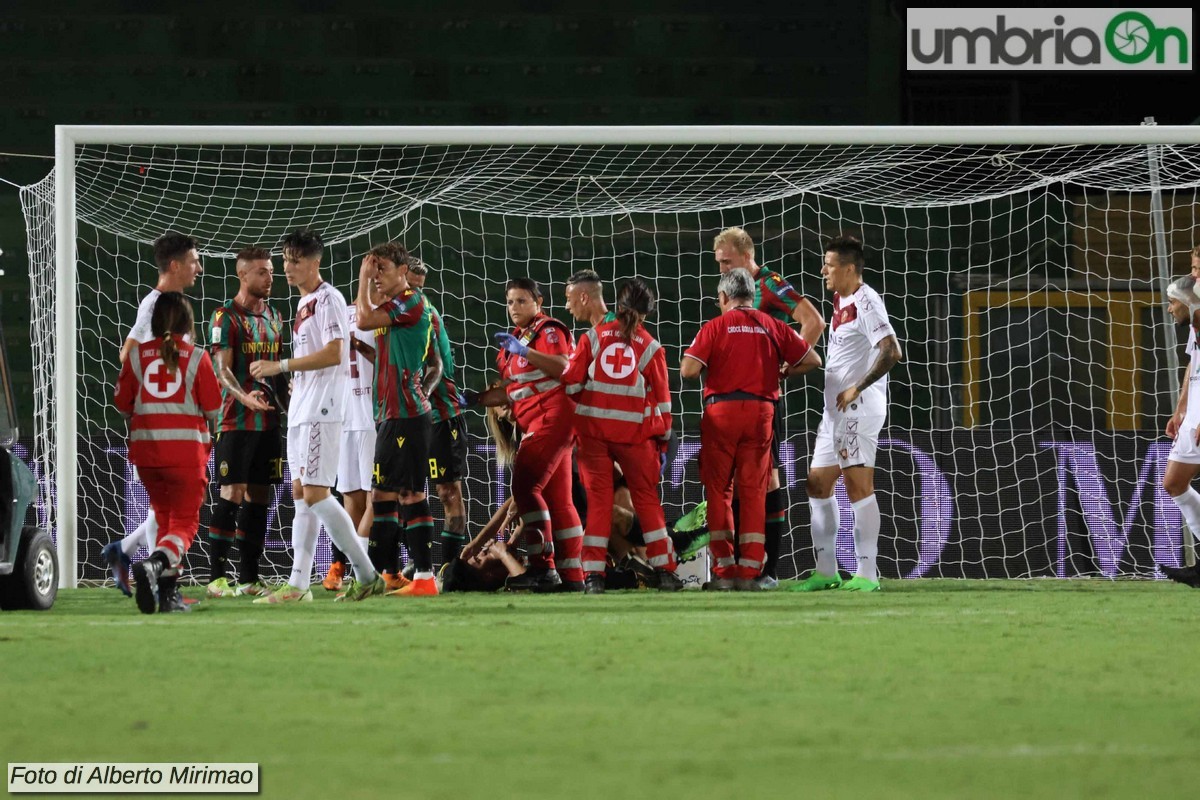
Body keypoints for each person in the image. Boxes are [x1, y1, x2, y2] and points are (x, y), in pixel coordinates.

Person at [248, 228, 380, 603]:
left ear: (315, 262)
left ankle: (367, 574)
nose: (288, 268)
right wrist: (297, 381)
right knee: (301, 496)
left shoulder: (328, 299)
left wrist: (282, 366)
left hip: (324, 410)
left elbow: (336, 353)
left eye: (296, 261)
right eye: (286, 260)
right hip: (304, 409)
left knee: (317, 494)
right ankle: (298, 585)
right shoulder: (303, 303)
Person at [681, 267, 821, 591]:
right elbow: (812, 359)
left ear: (724, 297)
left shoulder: (715, 326)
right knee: (755, 491)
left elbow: (689, 370)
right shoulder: (771, 324)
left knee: (720, 491)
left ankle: (724, 570)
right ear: (751, 295)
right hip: (761, 412)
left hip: (722, 413)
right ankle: (749, 572)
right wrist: (784, 370)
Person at [713, 226, 826, 588]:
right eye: (719, 263)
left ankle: (770, 570)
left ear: (747, 255)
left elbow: (814, 321)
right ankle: (741, 568)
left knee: (769, 478)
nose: (722, 269)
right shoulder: (735, 291)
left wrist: (785, 367)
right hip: (736, 401)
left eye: (727, 261)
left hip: (763, 401)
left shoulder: (770, 284)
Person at [558, 271, 683, 593]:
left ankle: (593, 576)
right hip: (636, 437)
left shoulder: (594, 337)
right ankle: (666, 571)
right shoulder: (651, 346)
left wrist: (590, 401)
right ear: (645, 311)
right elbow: (664, 401)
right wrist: (664, 438)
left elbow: (570, 384)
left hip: (593, 436)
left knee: (599, 505)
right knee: (647, 503)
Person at [793, 234, 902, 593]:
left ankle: (867, 574)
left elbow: (891, 351)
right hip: (834, 412)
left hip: (857, 408)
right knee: (818, 483)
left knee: (858, 487)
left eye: (829, 265)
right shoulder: (841, 300)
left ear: (849, 269)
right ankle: (827, 571)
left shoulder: (868, 301)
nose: (823, 270)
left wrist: (859, 386)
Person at [463, 277, 584, 592]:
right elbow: (512, 392)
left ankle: (543, 568)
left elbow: (563, 367)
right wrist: (474, 400)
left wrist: (525, 352)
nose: (514, 307)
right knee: (559, 501)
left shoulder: (548, 330)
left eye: (521, 301)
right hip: (538, 420)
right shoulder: (512, 344)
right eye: (510, 302)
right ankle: (573, 577)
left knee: (525, 485)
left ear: (538, 303)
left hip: (553, 416)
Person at [101, 232, 204, 596]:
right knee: (175, 512)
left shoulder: (164, 304)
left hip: (162, 427)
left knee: (166, 509)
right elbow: (126, 354)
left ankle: (125, 553)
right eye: (193, 261)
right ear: (175, 265)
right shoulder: (155, 306)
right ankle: (165, 584)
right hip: (165, 428)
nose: (199, 268)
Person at [114, 292, 221, 614]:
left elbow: (122, 403)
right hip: (186, 455)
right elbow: (214, 406)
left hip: (147, 456)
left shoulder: (136, 356)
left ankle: (169, 595)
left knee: (164, 518)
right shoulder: (196, 357)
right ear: (188, 323)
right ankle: (154, 565)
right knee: (185, 524)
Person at [354, 241, 443, 597]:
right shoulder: (393, 306)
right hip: (392, 414)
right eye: (373, 273)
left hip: (407, 413)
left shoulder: (411, 301)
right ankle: (386, 575)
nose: (376, 279)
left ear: (403, 272)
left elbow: (362, 318)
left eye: (382, 271)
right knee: (386, 495)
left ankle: (423, 576)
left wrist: (360, 280)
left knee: (407, 495)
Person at [203, 247, 286, 599]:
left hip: (269, 422)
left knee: (260, 496)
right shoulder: (225, 317)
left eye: (270, 271)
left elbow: (279, 367)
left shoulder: (275, 317)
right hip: (236, 420)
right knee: (231, 493)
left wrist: (288, 398)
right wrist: (245, 397)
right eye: (262, 272)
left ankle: (249, 577)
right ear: (242, 275)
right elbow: (222, 370)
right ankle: (216, 578)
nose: (270, 278)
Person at [405, 257, 470, 566]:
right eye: (410, 286)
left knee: (447, 491)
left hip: (441, 416)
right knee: (403, 491)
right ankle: (414, 563)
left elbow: (435, 365)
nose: (415, 293)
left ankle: (450, 566)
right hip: (406, 417)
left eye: (420, 288)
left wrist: (422, 396)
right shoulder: (392, 313)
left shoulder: (425, 313)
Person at [321, 295, 378, 592]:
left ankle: (363, 568)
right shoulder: (348, 313)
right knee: (350, 497)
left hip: (372, 416)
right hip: (345, 416)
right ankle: (343, 565)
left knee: (373, 498)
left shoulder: (383, 315)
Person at [1159, 260, 1200, 588]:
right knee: (1174, 481)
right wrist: (1181, 409)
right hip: (1196, 409)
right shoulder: (1196, 315)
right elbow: (1193, 364)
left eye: (1198, 268)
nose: (1193, 274)